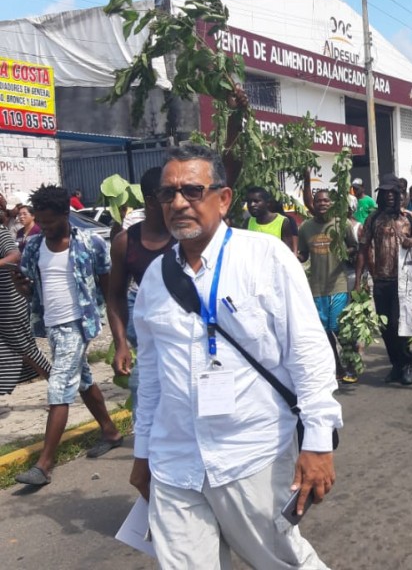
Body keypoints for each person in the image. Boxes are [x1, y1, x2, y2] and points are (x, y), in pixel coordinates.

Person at [130, 144, 341, 568]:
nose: (177, 203)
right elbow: (151, 374)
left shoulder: (265, 258)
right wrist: (143, 452)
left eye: (192, 191)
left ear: (223, 199)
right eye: (167, 194)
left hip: (251, 455)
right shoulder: (155, 277)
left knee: (284, 562)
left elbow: (309, 352)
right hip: (175, 464)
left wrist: (318, 442)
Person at [12, 185, 122, 486]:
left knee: (59, 385)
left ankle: (44, 465)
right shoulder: (34, 246)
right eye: (41, 221)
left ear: (65, 214)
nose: (44, 227)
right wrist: (20, 283)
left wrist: (117, 332)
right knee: (83, 379)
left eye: (50, 221)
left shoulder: (89, 243)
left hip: (79, 323)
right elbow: (31, 290)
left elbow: (108, 286)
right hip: (51, 325)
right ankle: (110, 431)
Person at [106, 167, 175, 425]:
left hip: (187, 337)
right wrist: (121, 342)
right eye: (168, 194)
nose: (177, 201)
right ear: (150, 200)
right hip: (148, 336)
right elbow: (115, 297)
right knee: (143, 398)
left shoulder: (187, 237)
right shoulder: (126, 242)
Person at [354, 174, 412, 385]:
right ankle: (395, 366)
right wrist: (358, 281)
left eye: (393, 193)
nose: (389, 198)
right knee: (385, 327)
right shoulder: (373, 219)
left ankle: (406, 365)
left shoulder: (409, 218)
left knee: (397, 325)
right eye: (385, 194)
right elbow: (363, 248)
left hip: (404, 281)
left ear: (399, 195)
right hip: (380, 280)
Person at [298, 189, 359, 383]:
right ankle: (336, 366)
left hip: (338, 284)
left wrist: (343, 250)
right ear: (313, 205)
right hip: (316, 287)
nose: (322, 204)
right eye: (318, 201)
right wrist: (292, 256)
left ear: (332, 204)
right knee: (324, 332)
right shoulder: (306, 227)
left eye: (326, 201)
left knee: (339, 328)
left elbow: (355, 248)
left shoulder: (342, 224)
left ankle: (351, 364)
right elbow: (304, 255)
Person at [0, 195, 51, 395]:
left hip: (11, 302)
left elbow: (14, 255)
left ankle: (58, 385)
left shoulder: (1, 233)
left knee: (26, 349)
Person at [244, 186, 295, 252]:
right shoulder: (248, 222)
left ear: (267, 203)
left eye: (256, 201)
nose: (252, 205)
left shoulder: (282, 222)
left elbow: (287, 252)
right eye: (249, 202)